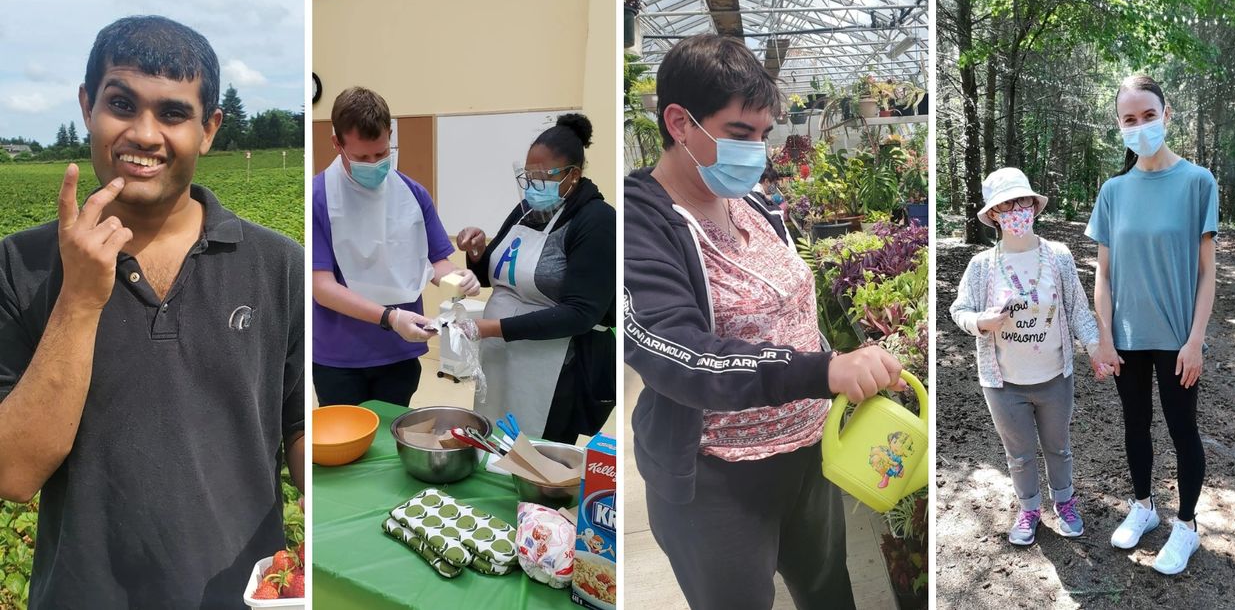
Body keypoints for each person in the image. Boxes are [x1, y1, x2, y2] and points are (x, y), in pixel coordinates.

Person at [0, 16, 303, 607]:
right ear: (88, 106)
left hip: (246, 593)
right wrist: (80, 298)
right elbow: (13, 473)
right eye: (121, 103)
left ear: (209, 129)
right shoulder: (21, 265)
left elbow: (298, 425)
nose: (144, 133)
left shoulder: (278, 265)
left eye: (172, 113)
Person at [623, 34, 905, 610]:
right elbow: (677, 351)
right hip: (718, 481)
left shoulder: (748, 205)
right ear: (679, 122)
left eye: (764, 134)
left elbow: (791, 306)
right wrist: (822, 370)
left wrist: (845, 379)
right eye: (739, 133)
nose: (757, 151)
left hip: (811, 454)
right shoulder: (639, 227)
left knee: (829, 591)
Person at [1086, 75, 1217, 576]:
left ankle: (1186, 527)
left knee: (1183, 429)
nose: (1140, 127)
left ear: (1166, 116)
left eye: (1148, 116)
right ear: (1119, 125)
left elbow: (1207, 274)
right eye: (1129, 119)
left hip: (1178, 339)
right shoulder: (1113, 191)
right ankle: (1143, 505)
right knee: (1134, 424)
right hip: (1128, 338)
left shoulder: (1197, 182)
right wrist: (1104, 335)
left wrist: (1196, 340)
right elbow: (1103, 272)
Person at [950, 168, 1105, 546]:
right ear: (994, 215)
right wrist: (980, 322)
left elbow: (1078, 310)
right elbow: (960, 310)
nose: (1015, 210)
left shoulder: (1059, 257)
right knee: (1019, 454)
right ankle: (1029, 509)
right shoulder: (982, 266)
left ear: (1034, 206)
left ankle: (1064, 502)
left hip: (1055, 378)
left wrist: (1096, 349)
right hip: (1004, 385)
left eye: (1022, 201)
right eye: (1005, 205)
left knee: (1058, 446)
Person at [311, 87, 480, 407]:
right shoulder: (320, 198)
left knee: (393, 441)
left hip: (400, 351)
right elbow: (322, 288)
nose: (374, 164)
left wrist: (459, 277)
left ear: (390, 134)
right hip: (340, 357)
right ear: (337, 143)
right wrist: (389, 318)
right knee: (348, 447)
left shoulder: (412, 195)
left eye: (381, 153)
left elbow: (435, 264)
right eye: (362, 157)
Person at [455, 113, 615, 444]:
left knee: (537, 458)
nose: (533, 186)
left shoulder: (597, 220)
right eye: (528, 177)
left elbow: (582, 313)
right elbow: (492, 276)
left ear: (574, 175)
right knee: (494, 441)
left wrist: (492, 329)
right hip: (502, 358)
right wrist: (476, 252)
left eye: (544, 177)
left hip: (555, 369)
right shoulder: (527, 210)